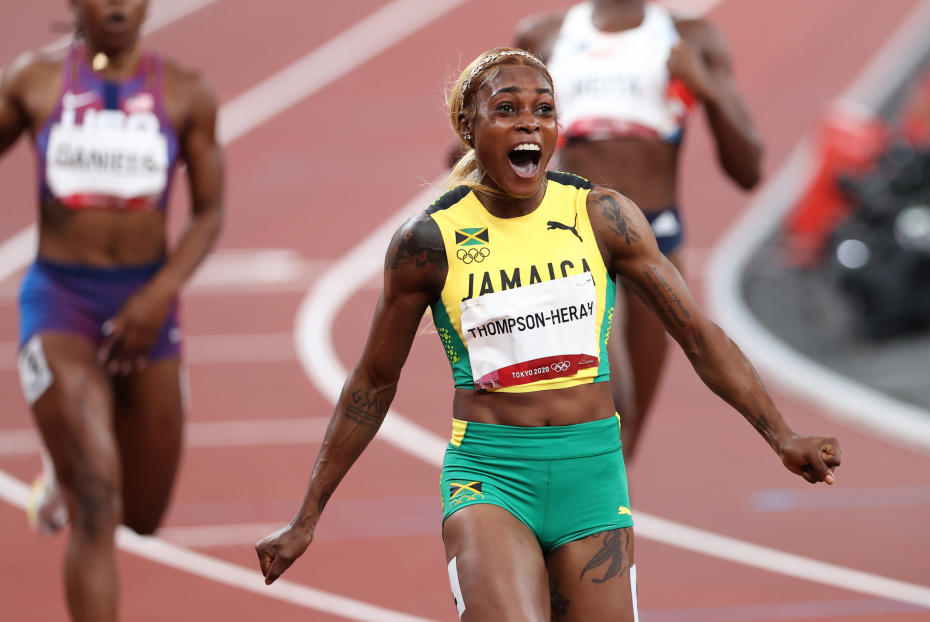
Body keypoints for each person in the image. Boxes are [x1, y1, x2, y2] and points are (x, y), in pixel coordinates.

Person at [255, 48, 837, 621]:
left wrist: (782, 436)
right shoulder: (427, 243)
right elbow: (374, 382)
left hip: (593, 475)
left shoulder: (603, 217)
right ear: (468, 125)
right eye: (506, 108)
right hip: (491, 478)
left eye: (544, 108)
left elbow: (699, 336)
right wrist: (307, 516)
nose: (529, 121)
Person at [0, 0, 223, 619]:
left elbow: (209, 212)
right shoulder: (33, 82)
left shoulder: (186, 92)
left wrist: (158, 297)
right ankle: (71, 460)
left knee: (143, 515)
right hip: (59, 303)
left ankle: (62, 460)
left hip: (147, 309)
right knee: (96, 497)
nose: (118, 4)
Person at [515, 0, 764, 460]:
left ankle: (598, 528)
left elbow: (748, 169)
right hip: (573, 235)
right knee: (611, 405)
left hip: (656, 238)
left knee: (625, 443)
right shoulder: (543, 36)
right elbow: (492, 137)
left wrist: (706, 87)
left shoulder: (691, 37)